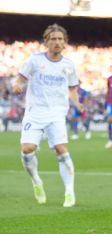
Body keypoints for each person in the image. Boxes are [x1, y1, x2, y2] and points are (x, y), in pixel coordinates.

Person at [12, 24, 81, 207]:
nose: (56, 42)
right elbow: (19, 79)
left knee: (61, 149)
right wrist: (17, 85)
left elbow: (72, 89)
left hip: (57, 113)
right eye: (53, 39)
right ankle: (36, 181)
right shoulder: (34, 60)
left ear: (65, 42)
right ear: (46, 42)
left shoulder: (69, 65)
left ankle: (69, 192)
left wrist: (77, 102)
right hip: (35, 112)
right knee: (27, 149)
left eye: (60, 39)